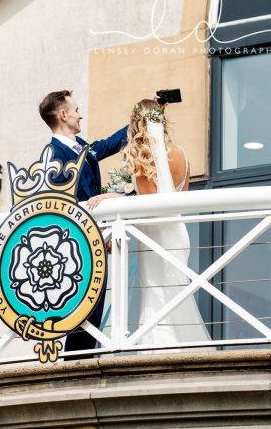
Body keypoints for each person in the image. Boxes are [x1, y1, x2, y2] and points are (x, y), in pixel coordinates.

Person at [38, 89, 127, 355]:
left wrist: (142, 116)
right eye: (76, 110)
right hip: (76, 246)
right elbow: (63, 203)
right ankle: (75, 369)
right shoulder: (52, 155)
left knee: (94, 308)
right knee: (81, 310)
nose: (81, 114)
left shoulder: (82, 148)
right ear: (63, 115)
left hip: (93, 239)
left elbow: (110, 144)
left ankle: (83, 363)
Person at [122, 99, 214, 351]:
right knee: (176, 294)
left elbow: (151, 207)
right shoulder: (181, 154)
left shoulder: (143, 158)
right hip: (178, 235)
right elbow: (179, 200)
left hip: (155, 238)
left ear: (136, 124)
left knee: (155, 295)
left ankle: (158, 351)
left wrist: (118, 199)